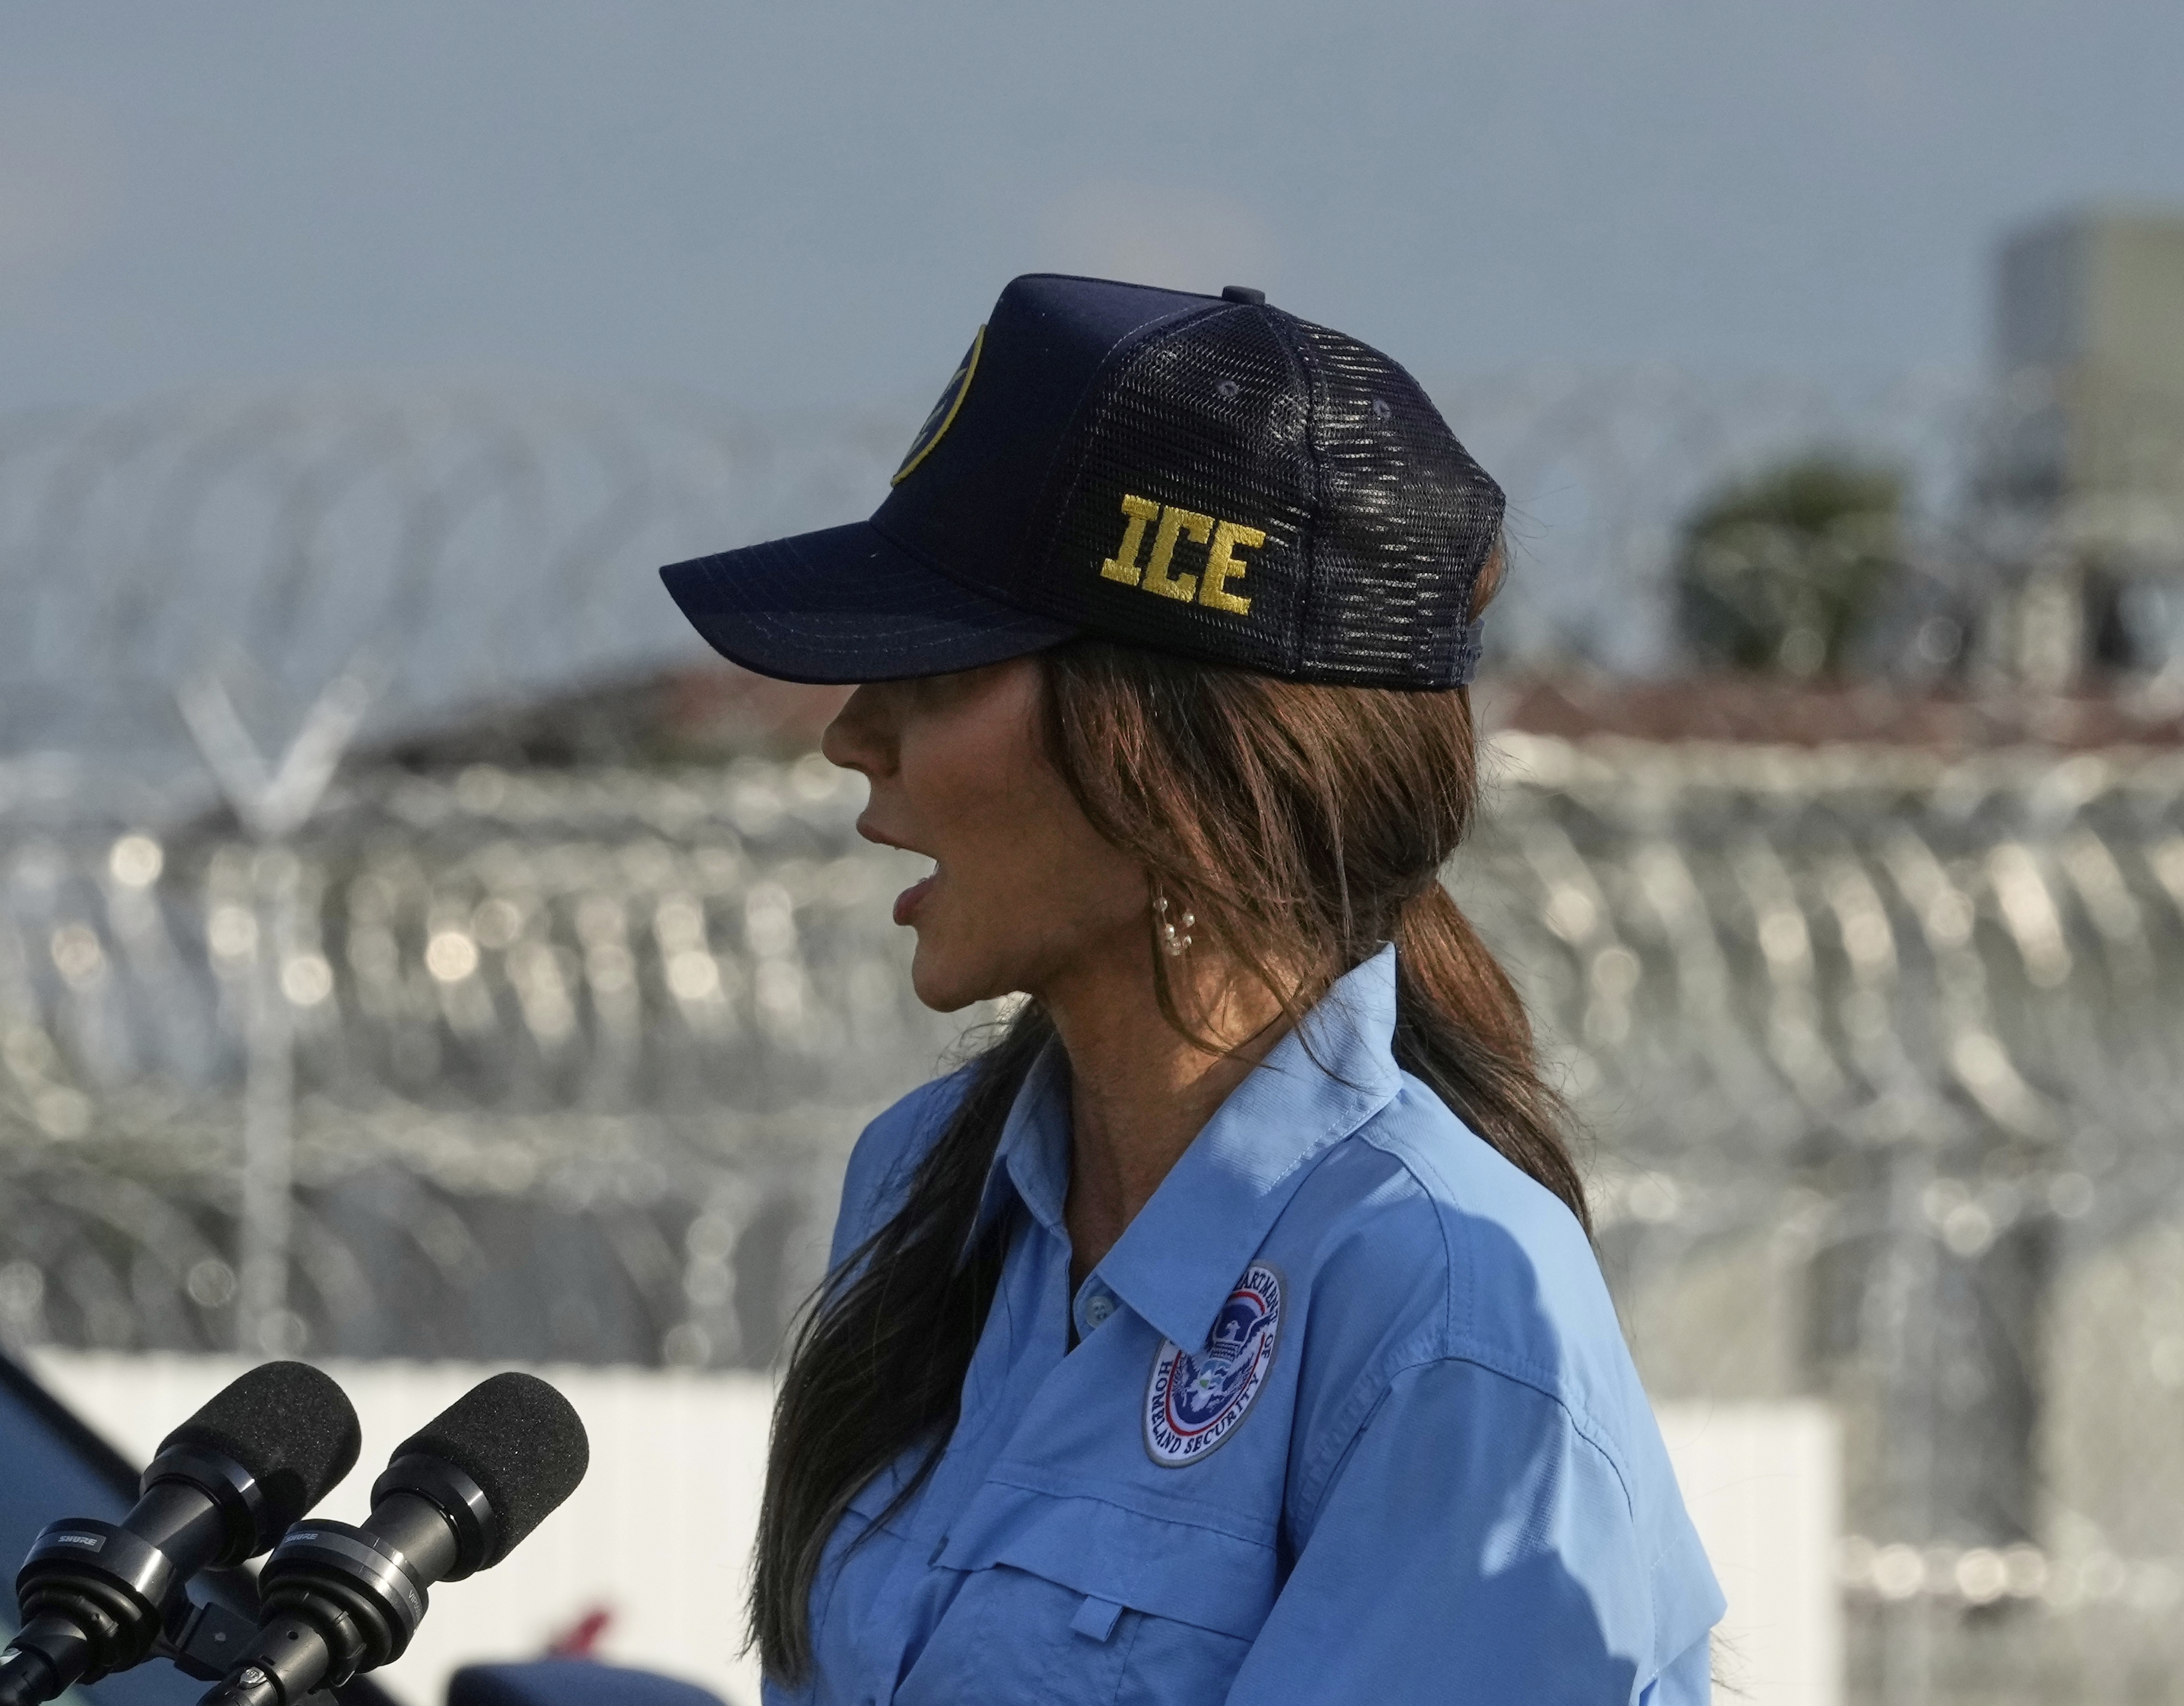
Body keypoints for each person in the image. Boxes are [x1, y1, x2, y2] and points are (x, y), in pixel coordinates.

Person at [658, 276, 1722, 1705]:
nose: (856, 734)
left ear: (1163, 750)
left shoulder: (1442, 1302)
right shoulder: (921, 1188)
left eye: (942, 662)